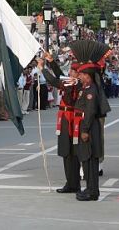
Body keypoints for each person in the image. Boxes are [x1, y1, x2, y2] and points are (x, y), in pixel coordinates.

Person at [70, 40, 111, 201]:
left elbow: (90, 110)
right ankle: (90, 189)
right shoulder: (86, 88)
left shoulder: (91, 90)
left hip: (89, 128)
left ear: (88, 76)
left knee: (90, 161)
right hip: (85, 126)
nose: (79, 76)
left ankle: (92, 191)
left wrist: (85, 130)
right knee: (86, 160)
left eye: (81, 74)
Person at [37, 53, 81, 194]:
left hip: (69, 120)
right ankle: (72, 182)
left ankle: (73, 183)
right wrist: (51, 62)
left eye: (73, 71)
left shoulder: (75, 83)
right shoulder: (73, 81)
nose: (70, 72)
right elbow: (61, 76)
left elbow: (56, 82)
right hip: (66, 118)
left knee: (69, 153)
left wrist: (43, 69)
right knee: (67, 153)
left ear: (78, 73)